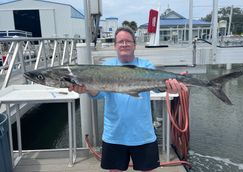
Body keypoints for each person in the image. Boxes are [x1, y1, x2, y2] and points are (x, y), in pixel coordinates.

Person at [69, 26, 180, 172]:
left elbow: (158, 87)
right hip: (114, 135)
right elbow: (99, 94)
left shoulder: (145, 65)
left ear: (134, 45)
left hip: (143, 134)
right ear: (115, 45)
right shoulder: (106, 67)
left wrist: (170, 87)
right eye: (120, 41)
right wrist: (87, 88)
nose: (124, 44)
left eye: (128, 41)